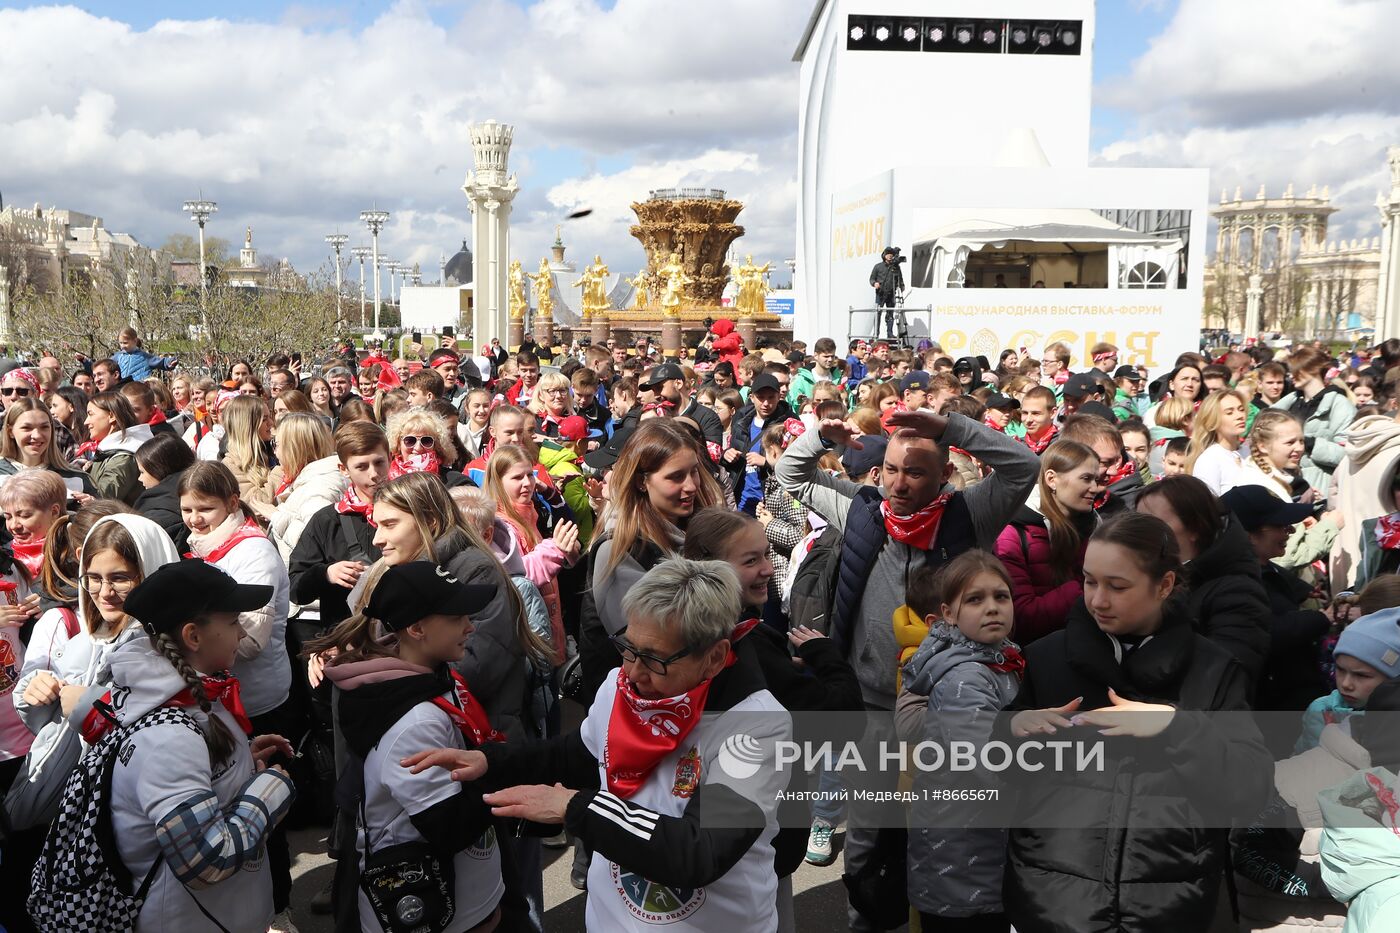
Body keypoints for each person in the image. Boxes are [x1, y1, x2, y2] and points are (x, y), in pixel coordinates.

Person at [404, 557, 793, 933]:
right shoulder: (619, 686)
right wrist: (490, 761)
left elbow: (702, 850)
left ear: (714, 658)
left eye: (655, 660)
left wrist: (574, 807)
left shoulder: (757, 725)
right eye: (629, 647)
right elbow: (581, 755)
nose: (633, 672)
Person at [996, 512, 1272, 933]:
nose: (1098, 600)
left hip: (1168, 907)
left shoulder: (1214, 670)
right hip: (1051, 903)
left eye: (1117, 586)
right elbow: (1000, 771)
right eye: (1089, 581)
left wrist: (1180, 728)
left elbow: (1249, 788)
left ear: (1164, 585)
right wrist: (1011, 731)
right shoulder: (1046, 657)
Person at [72, 559, 294, 932]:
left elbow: (192, 780)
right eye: (233, 621)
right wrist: (271, 790)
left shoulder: (191, 694)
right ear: (193, 636)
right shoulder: (167, 739)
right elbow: (206, 860)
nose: (241, 633)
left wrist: (240, 761)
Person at [311, 562, 507, 933]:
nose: (470, 625)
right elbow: (448, 826)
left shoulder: (432, 677)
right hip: (441, 910)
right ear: (416, 629)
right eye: (457, 617)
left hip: (462, 895)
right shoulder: (415, 721)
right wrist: (504, 773)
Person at [899, 552, 1024, 933]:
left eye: (1001, 597)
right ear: (948, 614)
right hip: (965, 859)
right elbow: (984, 763)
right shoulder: (967, 677)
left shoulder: (993, 658)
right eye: (975, 599)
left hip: (965, 850)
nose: (992, 608)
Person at [367, 472, 539, 740]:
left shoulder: (476, 569)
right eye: (376, 525)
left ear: (430, 522)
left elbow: (476, 668)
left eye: (390, 524)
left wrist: (381, 678)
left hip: (476, 740)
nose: (377, 538)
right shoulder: (393, 570)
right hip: (419, 730)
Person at [1136, 474, 1272, 686]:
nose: (1141, 536)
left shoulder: (1237, 592)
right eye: (1138, 525)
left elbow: (1226, 676)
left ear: (1195, 528)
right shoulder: (1143, 578)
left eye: (1155, 524)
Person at [1220, 484, 1331, 716]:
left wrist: (1301, 590)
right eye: (1280, 526)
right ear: (1249, 535)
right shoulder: (1233, 583)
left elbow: (1274, 575)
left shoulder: (1260, 568)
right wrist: (1320, 618)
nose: (1289, 531)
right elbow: (1264, 634)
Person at [995, 440, 1103, 644]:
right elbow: (1021, 617)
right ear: (1051, 479)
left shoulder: (1096, 526)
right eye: (1086, 479)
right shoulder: (1013, 533)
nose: (1095, 488)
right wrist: (1085, 588)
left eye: (1096, 479)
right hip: (1037, 654)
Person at [287, 421, 388, 629]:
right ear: (344, 469)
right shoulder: (327, 520)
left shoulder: (410, 512)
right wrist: (326, 574)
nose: (373, 474)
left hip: (399, 640)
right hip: (343, 639)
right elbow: (296, 589)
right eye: (361, 466)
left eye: (379, 463)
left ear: (391, 459)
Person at [1294, 610, 1400, 753]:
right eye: (1340, 669)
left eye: (1362, 676)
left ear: (1393, 680)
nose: (1345, 684)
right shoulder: (1320, 709)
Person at [261, 412, 348, 563]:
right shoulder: (314, 478)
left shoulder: (319, 487)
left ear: (294, 447)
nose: (275, 452)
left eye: (277, 444)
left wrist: (277, 516)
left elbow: (314, 545)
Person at [1274, 347, 1355, 500]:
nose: (1291, 375)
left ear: (1313, 370)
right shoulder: (1290, 403)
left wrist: (1309, 442)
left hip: (1319, 490)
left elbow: (1347, 454)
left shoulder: (1340, 405)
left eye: (1296, 370)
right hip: (1284, 486)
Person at [0, 396, 97, 496]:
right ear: (10, 431)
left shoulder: (76, 478)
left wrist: (91, 507)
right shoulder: (2, 473)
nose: (37, 435)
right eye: (27, 428)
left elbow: (104, 509)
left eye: (44, 427)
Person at [77, 390, 155, 503]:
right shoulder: (111, 453)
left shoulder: (124, 457)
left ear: (112, 416)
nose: (86, 422)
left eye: (90, 414)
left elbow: (101, 498)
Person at [132, 432, 197, 548]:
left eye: (142, 472)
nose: (139, 478)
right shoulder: (203, 492)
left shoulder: (159, 516)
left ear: (159, 469)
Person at [1186, 388, 1250, 495]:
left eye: (1241, 409)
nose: (1240, 416)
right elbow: (1208, 506)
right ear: (1213, 420)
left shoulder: (1250, 452)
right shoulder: (1209, 460)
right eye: (1229, 413)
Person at [219, 394, 276, 505]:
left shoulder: (273, 450)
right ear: (248, 426)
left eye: (270, 417)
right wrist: (282, 469)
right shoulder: (230, 465)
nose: (271, 423)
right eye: (264, 419)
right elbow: (257, 505)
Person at [111, 326, 175, 381]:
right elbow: (106, 364)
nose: (122, 346)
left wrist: (169, 362)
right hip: (122, 388)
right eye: (120, 343)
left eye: (125, 343)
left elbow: (159, 361)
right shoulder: (118, 357)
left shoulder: (144, 356)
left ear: (135, 341)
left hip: (139, 389)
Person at [870, 247, 904, 338]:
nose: (890, 256)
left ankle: (890, 333)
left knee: (890, 314)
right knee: (878, 313)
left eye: (892, 254)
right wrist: (874, 283)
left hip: (891, 293)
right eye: (888, 254)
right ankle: (876, 334)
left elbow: (900, 279)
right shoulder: (878, 266)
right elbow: (871, 279)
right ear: (884, 255)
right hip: (880, 294)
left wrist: (901, 286)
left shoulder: (896, 267)